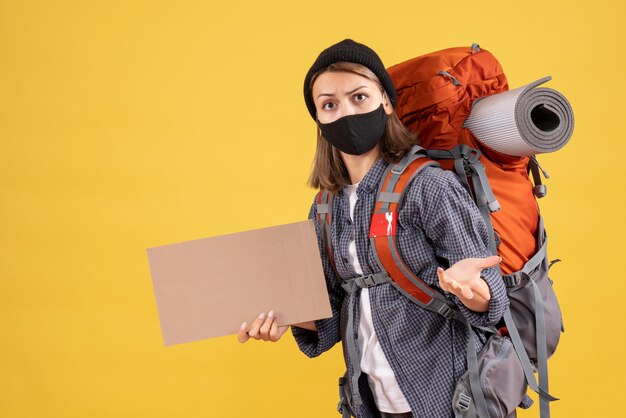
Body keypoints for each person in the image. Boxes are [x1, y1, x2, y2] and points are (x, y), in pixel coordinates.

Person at [238, 39, 509, 418]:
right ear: (318, 120)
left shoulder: (429, 186)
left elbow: (492, 301)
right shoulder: (324, 208)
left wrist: (472, 288)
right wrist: (281, 314)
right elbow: (331, 315)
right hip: (371, 403)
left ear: (385, 101)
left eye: (359, 97)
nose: (345, 111)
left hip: (449, 399)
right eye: (329, 104)